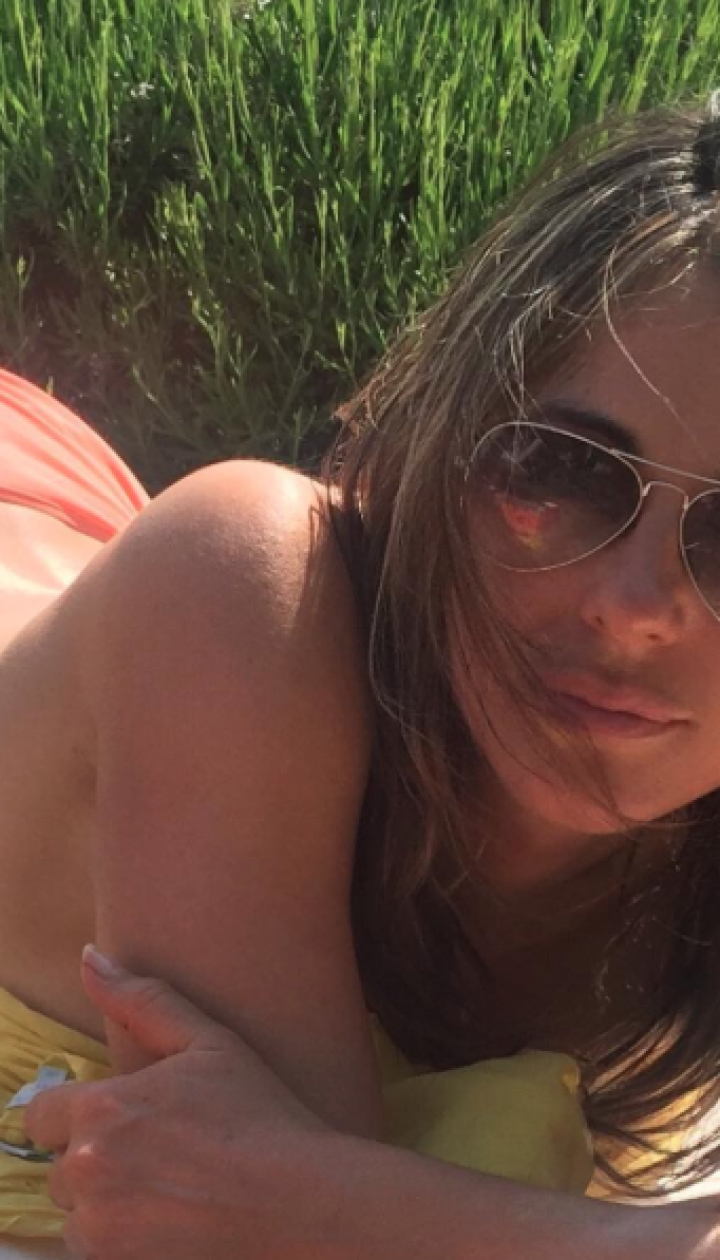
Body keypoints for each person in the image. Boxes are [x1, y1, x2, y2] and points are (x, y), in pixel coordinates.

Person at [4, 89, 720, 1256]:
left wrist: (314, 1192)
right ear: (443, 438)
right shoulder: (243, 588)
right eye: (557, 474)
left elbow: (282, 1206)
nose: (635, 608)